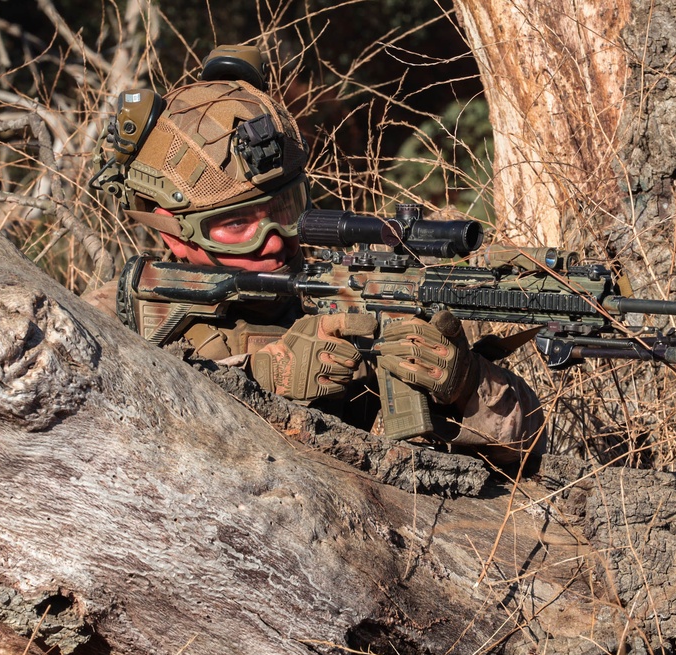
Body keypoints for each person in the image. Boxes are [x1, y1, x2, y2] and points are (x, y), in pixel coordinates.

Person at [88, 45, 544, 471]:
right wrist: (258, 380)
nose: (273, 240)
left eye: (286, 211)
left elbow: (532, 445)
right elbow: (94, 450)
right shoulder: (109, 323)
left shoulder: (345, 294)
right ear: (174, 232)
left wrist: (465, 386)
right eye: (238, 223)